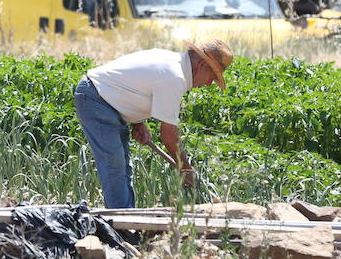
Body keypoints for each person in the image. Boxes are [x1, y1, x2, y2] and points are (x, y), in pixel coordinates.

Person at [73, 38, 233, 209]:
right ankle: (120, 227)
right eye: (212, 77)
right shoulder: (174, 76)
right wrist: (186, 169)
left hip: (104, 99)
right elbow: (169, 136)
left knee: (122, 168)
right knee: (115, 167)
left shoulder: (171, 63)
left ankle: (126, 219)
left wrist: (138, 122)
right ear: (202, 65)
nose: (209, 83)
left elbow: (132, 84)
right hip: (96, 99)